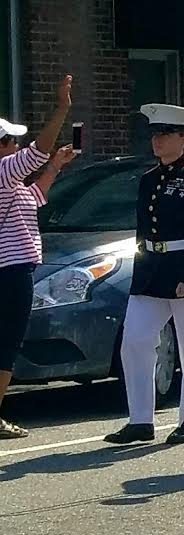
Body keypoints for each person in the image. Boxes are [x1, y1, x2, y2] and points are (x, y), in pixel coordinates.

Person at [104, 105, 184, 446]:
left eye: (165, 134)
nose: (157, 140)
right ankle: (140, 419)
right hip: (152, 272)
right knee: (135, 342)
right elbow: (144, 231)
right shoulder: (149, 179)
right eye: (154, 133)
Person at [0, 74, 74, 440]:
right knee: (6, 343)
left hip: (15, 270)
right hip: (8, 272)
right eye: (11, 141)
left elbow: (36, 197)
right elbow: (38, 151)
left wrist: (55, 168)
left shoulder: (10, 183)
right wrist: (62, 108)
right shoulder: (0, 172)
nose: (15, 146)